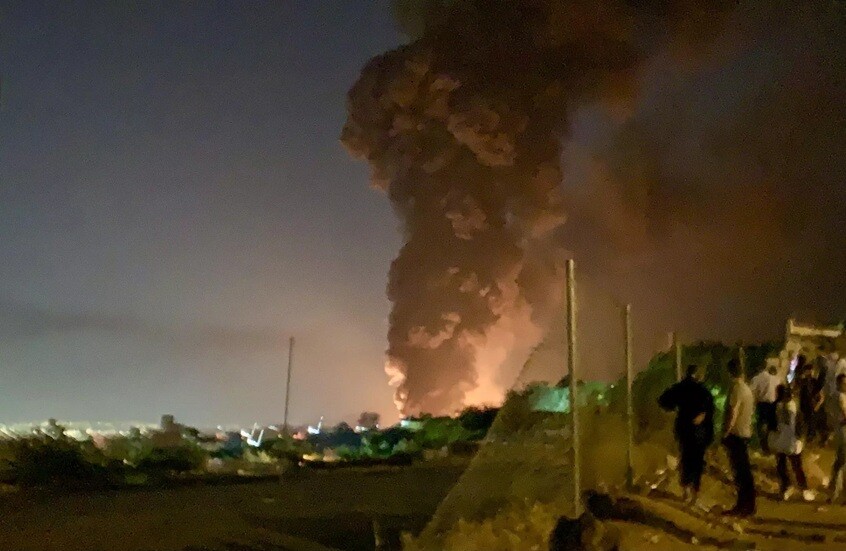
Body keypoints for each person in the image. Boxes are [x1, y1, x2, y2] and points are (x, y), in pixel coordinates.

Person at [658, 364, 715, 505]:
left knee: (685, 457)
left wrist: (675, 409)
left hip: (684, 428)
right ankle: (695, 492)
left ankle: (686, 491)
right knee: (697, 460)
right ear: (698, 375)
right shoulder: (703, 391)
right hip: (699, 430)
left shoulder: (680, 388)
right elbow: (710, 410)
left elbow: (663, 400)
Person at [722, 358, 756, 517]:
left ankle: (743, 505)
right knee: (745, 472)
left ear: (730, 372)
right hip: (745, 433)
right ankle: (749, 505)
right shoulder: (747, 389)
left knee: (740, 473)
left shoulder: (736, 389)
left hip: (736, 434)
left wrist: (725, 432)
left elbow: (733, 412)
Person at [768, 384, 814, 501]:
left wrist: (800, 438)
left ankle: (803, 488)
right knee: (782, 466)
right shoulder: (777, 406)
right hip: (781, 440)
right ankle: (786, 487)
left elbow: (800, 423)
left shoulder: (793, 407)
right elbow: (772, 424)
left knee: (796, 466)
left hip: (791, 440)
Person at [750, 365, 780, 453]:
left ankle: (763, 445)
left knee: (761, 424)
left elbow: (752, 390)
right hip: (773, 404)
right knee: (771, 425)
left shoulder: (757, 378)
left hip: (762, 404)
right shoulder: (775, 379)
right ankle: (770, 445)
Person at [829, 373, 846, 503]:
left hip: (839, 431)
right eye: (844, 383)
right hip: (843, 431)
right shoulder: (841, 396)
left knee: (839, 463)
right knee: (841, 463)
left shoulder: (835, 395)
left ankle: (835, 492)